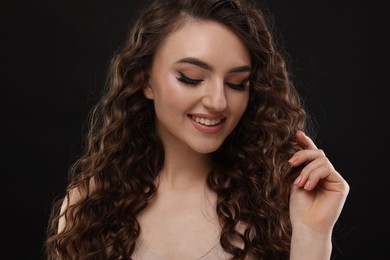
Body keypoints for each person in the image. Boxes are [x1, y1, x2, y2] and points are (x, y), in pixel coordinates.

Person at [45, 0, 350, 259]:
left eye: (236, 83)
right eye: (191, 78)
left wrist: (312, 235)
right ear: (145, 80)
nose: (218, 102)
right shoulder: (88, 205)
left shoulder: (279, 203)